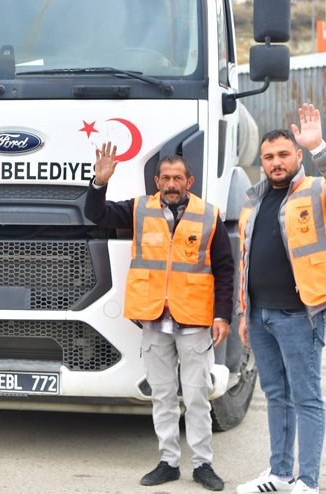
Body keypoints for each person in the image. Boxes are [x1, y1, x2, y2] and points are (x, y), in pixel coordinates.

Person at [85, 145, 234, 492]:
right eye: (165, 178)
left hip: (194, 322)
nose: (171, 184)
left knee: (197, 398)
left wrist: (222, 315)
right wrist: (99, 182)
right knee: (163, 396)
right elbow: (96, 214)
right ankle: (168, 462)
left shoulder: (208, 216)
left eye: (177, 178)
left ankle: (203, 465)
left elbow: (226, 270)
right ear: (157, 181)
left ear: (189, 182)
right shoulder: (139, 209)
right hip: (154, 320)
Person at [235, 104, 326, 494]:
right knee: (276, 396)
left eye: (283, 154)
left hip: (300, 317)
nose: (275, 162)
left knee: (306, 398)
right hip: (260, 317)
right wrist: (244, 313)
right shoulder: (254, 201)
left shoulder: (319, 192)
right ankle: (279, 474)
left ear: (297, 156)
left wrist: (320, 146)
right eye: (268, 156)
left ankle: (308, 481)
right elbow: (246, 261)